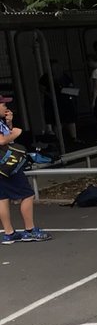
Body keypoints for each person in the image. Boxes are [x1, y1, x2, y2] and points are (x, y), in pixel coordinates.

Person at [0, 97, 51, 244]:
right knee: (27, 194)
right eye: (3, 105)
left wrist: (9, 123)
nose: (6, 107)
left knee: (3, 198)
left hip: (4, 165)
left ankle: (9, 233)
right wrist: (16, 132)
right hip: (7, 165)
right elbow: (2, 140)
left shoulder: (2, 121)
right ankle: (30, 230)